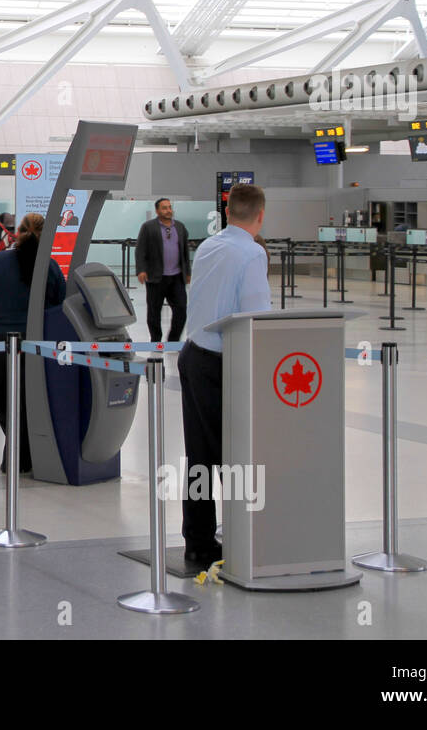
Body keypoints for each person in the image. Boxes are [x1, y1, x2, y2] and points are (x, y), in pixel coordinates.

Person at [177, 183, 271, 568]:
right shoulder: (251, 253)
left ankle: (198, 540)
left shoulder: (208, 247)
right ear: (261, 216)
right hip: (223, 364)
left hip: (193, 355)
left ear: (227, 210)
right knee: (233, 456)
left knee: (200, 457)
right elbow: (255, 317)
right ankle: (240, 535)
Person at [0, 213, 63, 473]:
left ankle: (18, 454)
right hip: (35, 346)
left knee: (0, 398)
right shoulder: (50, 267)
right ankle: (24, 454)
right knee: (28, 401)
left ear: (15, 233)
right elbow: (59, 308)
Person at [135, 198, 192, 343]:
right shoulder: (148, 227)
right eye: (164, 208)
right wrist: (141, 270)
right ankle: (156, 340)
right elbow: (140, 249)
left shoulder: (180, 227)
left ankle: (173, 340)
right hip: (155, 277)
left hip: (177, 277)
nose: (168, 210)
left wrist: (187, 272)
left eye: (170, 207)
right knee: (154, 312)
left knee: (181, 309)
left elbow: (185, 251)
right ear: (157, 211)